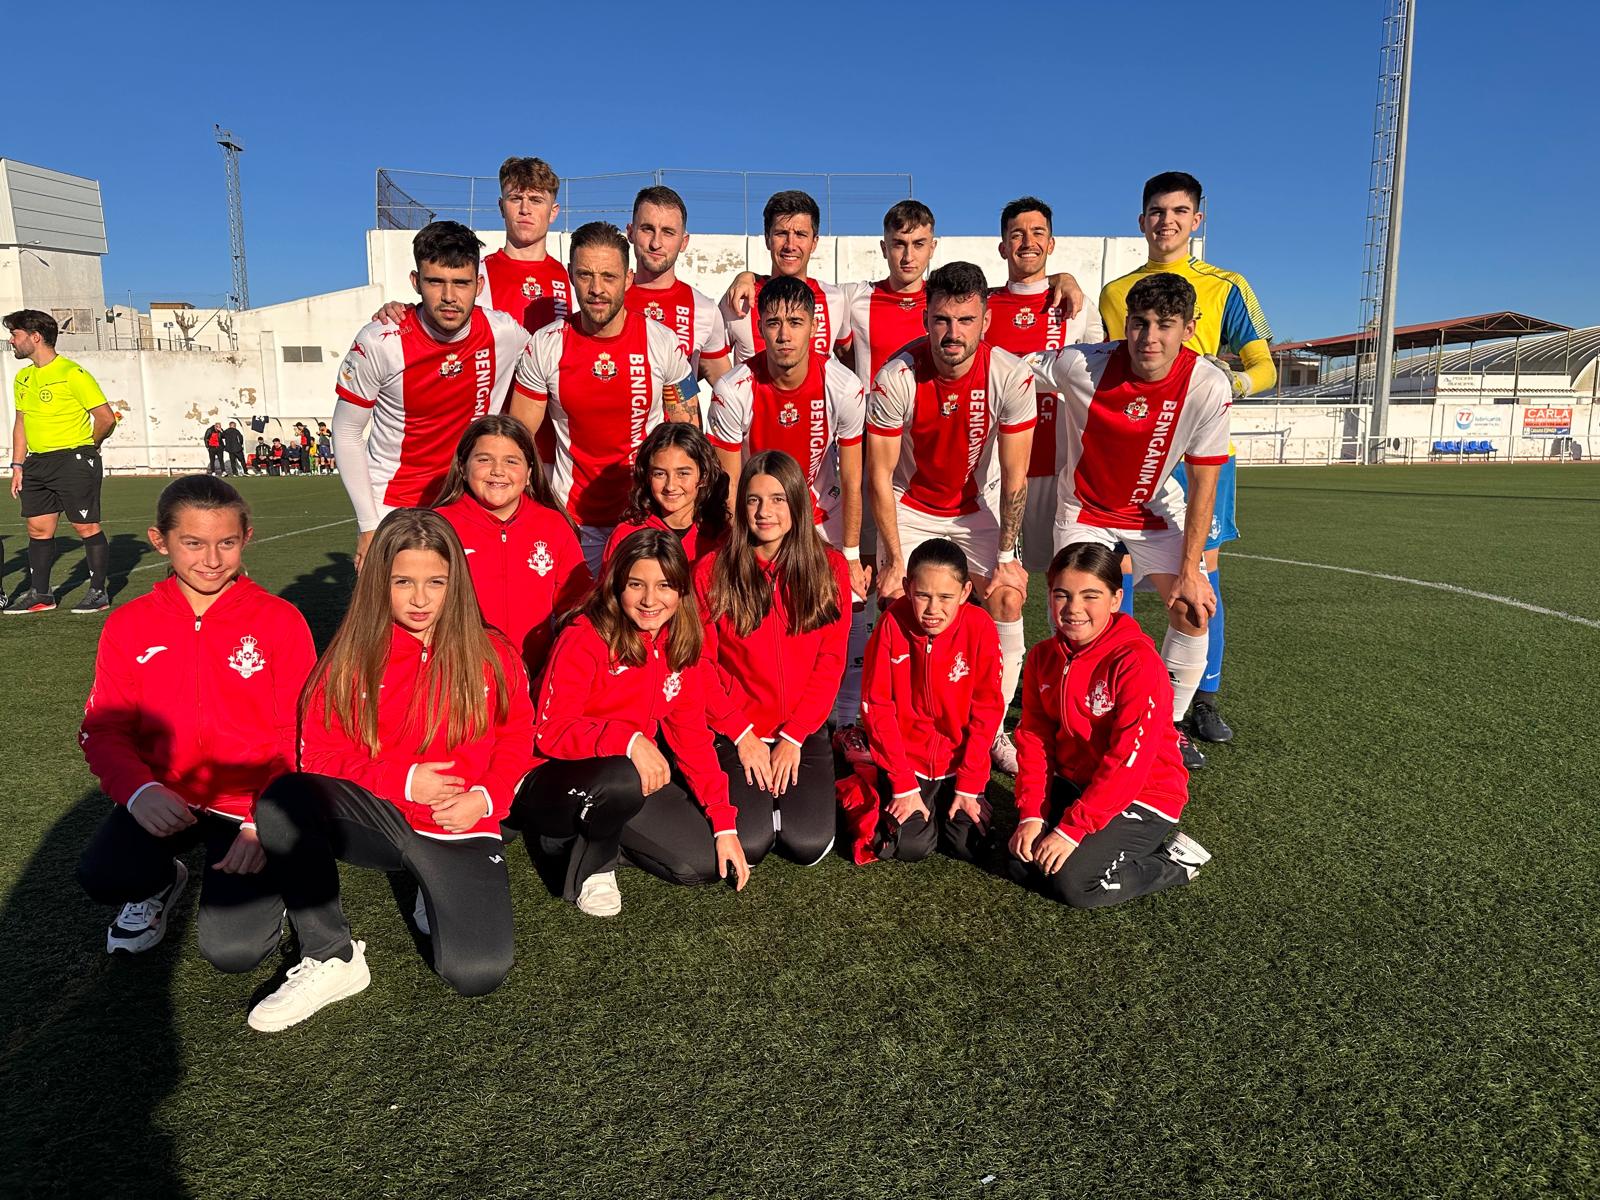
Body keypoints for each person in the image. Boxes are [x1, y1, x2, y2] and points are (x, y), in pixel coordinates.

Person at [248, 509, 533, 1031]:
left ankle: (434, 885)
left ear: (456, 583)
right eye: (403, 581)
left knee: (476, 973)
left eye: (435, 582)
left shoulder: (493, 651)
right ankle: (332, 955)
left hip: (460, 823)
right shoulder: (352, 655)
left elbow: (517, 737)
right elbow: (319, 755)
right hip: (384, 817)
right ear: (380, 580)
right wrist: (403, 779)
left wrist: (486, 799)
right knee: (286, 798)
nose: (420, 598)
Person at [75, 475, 316, 963]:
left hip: (246, 805)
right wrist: (140, 792)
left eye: (226, 543)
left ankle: (274, 874)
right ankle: (162, 882)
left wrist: (261, 820)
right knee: (104, 874)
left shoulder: (280, 619)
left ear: (246, 537)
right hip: (168, 798)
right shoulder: (129, 624)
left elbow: (303, 730)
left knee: (235, 951)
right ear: (159, 541)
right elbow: (103, 727)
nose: (211, 559)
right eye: (193, 543)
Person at [1022, 272, 1232, 770]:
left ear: (1189, 327)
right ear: (1126, 324)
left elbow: (1205, 486)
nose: (1150, 337)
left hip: (1153, 509)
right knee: (1075, 615)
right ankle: (1070, 722)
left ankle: (1165, 729)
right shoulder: (1082, 364)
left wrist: (1190, 567)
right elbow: (1015, 367)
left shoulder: (1206, 385)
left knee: (1194, 608)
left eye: (1165, 324)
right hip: (1085, 511)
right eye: (1140, 323)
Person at [1099, 171, 1277, 750]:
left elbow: (1266, 366)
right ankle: (1112, 687)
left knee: (1201, 570)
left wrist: (1233, 383)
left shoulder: (1227, 286)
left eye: (1179, 211)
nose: (1166, 221)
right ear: (1141, 219)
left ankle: (1200, 700)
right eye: (1156, 211)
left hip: (1202, 454)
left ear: (1197, 220)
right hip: (1136, 449)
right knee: (1119, 568)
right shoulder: (1116, 291)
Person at [510, 528, 762, 913]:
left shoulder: (679, 641)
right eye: (635, 585)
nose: (649, 600)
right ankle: (589, 859)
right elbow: (549, 731)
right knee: (623, 775)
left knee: (702, 864)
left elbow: (692, 738)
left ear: (681, 591)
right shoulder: (585, 636)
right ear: (616, 585)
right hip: (558, 776)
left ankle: (601, 832)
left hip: (624, 778)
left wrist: (723, 822)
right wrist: (628, 740)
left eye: (664, 585)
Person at [864, 261, 1035, 775]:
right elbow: (880, 474)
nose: (952, 333)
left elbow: (1016, 477)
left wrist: (1007, 556)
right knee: (895, 597)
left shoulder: (1010, 374)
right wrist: (893, 559)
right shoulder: (896, 374)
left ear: (985, 321)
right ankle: (894, 723)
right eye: (941, 320)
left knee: (1006, 596)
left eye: (965, 320)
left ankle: (991, 730)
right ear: (925, 319)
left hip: (974, 508)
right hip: (910, 504)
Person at [1009, 542, 1212, 907]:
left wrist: (1071, 831)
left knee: (1075, 885)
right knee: (1021, 861)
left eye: (1091, 596)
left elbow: (1128, 762)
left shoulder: (1137, 662)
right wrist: (1030, 814)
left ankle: (1173, 863)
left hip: (1144, 794)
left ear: (1116, 599)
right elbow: (1034, 739)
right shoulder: (1042, 656)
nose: (1073, 609)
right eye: (1062, 595)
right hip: (1081, 784)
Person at [333, 220, 532, 570]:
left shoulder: (504, 333)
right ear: (416, 282)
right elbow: (347, 431)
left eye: (461, 283)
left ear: (479, 285)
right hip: (394, 503)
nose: (450, 297)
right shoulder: (381, 341)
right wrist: (367, 525)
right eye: (436, 281)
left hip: (467, 501)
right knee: (393, 618)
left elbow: (550, 364)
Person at [508, 221, 699, 573]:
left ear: (627, 279)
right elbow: (517, 442)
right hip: (573, 521)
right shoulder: (544, 345)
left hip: (648, 517)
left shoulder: (666, 343)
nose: (596, 289)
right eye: (585, 275)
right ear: (569, 275)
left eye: (608, 277)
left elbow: (690, 433)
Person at [695, 451, 852, 866]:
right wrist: (740, 733)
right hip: (738, 731)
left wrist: (795, 735)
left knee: (808, 843)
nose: (765, 512)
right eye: (753, 499)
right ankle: (762, 808)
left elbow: (831, 660)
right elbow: (700, 665)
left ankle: (787, 804)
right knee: (751, 842)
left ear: (797, 504)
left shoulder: (830, 567)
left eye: (778, 499)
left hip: (800, 731)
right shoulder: (711, 570)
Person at [847, 538, 1003, 865]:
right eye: (922, 596)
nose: (933, 609)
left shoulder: (980, 627)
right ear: (906, 587)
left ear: (965, 592)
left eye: (946, 597)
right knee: (909, 846)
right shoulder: (891, 625)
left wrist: (971, 784)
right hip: (907, 761)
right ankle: (864, 773)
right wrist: (903, 785)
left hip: (956, 764)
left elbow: (987, 710)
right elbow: (877, 707)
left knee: (967, 843)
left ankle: (953, 802)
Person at [706, 275, 866, 562]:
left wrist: (852, 556)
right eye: (773, 323)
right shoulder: (732, 389)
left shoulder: (844, 386)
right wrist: (739, 545)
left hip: (819, 514)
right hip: (758, 514)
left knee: (845, 601)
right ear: (759, 328)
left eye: (795, 322)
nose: (784, 336)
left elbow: (852, 478)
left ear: (814, 327)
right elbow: (729, 484)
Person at [434, 414, 591, 677]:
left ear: (529, 472)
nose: (497, 470)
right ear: (462, 467)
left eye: (511, 461)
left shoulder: (553, 525)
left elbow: (578, 607)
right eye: (484, 459)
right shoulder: (438, 526)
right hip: (460, 675)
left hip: (534, 674)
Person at [5, 309, 117, 615]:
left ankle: (98, 592)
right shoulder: (23, 377)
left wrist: (88, 447)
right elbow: (20, 424)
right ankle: (41, 594)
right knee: (38, 530)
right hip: (36, 463)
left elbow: (106, 419)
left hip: (73, 459)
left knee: (85, 526)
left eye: (15, 335)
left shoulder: (72, 373)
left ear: (35, 337)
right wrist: (17, 466)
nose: (11, 341)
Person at [718, 190, 852, 368]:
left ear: (814, 243)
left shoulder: (835, 299)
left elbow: (851, 359)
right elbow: (705, 360)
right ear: (767, 239)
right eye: (781, 233)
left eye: (800, 234)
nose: (790, 245)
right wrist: (729, 392)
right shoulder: (739, 299)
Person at [624, 185, 733, 395]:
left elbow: (730, 393)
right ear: (630, 232)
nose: (656, 243)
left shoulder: (704, 309)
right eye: (647, 229)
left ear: (684, 242)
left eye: (668, 232)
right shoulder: (607, 300)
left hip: (680, 425)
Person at [602, 421, 729, 568]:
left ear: (704, 477)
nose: (670, 486)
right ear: (647, 476)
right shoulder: (626, 535)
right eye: (660, 474)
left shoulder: (722, 538)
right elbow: (608, 589)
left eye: (682, 473)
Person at [477, 156, 571, 330]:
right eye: (515, 199)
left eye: (536, 200)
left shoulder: (572, 279)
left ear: (553, 212)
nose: (525, 210)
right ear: (501, 207)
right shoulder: (476, 274)